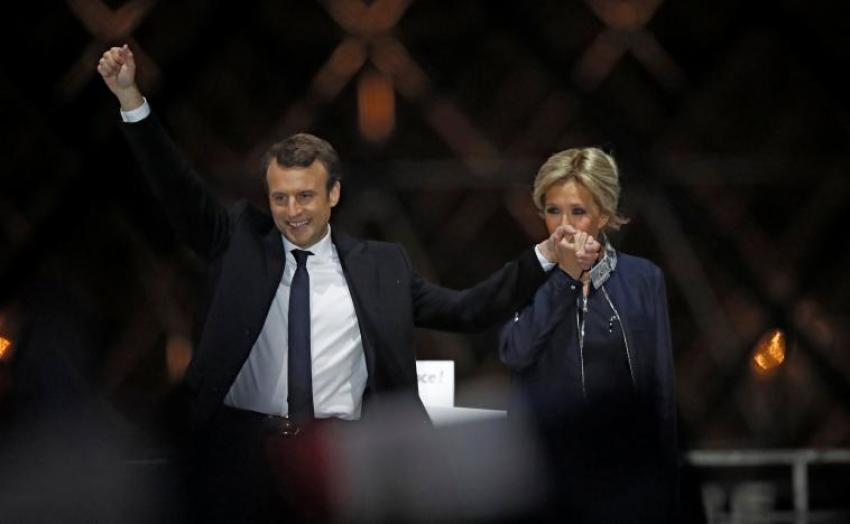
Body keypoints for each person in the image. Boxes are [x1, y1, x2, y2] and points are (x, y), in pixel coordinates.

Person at [97, 45, 597, 522]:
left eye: (305, 197)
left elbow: (469, 310)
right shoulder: (239, 242)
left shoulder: (382, 266)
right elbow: (178, 191)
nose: (292, 212)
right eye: (280, 198)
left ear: (333, 194)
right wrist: (130, 100)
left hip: (347, 466)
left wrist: (546, 254)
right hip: (248, 462)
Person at [499, 147, 678, 523]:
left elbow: (659, 387)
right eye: (553, 211)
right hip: (548, 474)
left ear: (604, 214)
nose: (564, 225)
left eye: (578, 211)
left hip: (624, 474)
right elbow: (515, 353)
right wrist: (562, 277)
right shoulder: (523, 277)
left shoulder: (643, 279)